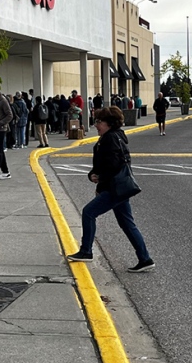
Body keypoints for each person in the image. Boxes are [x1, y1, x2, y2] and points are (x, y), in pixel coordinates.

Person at [66, 106, 154, 273]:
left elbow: (112, 165)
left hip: (113, 188)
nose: (97, 125)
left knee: (89, 212)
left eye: (100, 121)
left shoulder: (109, 138)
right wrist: (94, 174)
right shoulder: (118, 136)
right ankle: (145, 258)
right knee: (127, 223)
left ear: (109, 123)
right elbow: (110, 164)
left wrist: (100, 179)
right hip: (120, 188)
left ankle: (86, 251)